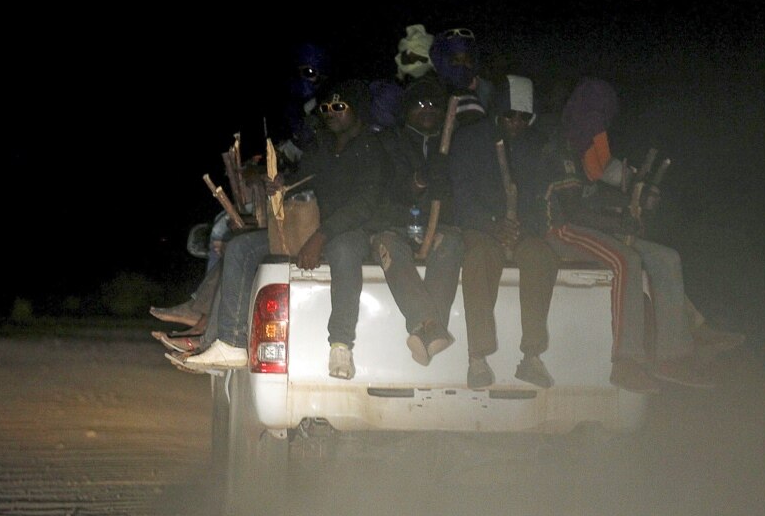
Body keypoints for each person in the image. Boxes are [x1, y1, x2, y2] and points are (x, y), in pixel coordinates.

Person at [184, 80, 387, 380]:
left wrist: (321, 236)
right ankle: (232, 343)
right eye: (326, 107)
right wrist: (279, 184)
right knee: (241, 248)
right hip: (312, 228)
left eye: (339, 107)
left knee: (344, 251)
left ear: (358, 110)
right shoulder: (323, 150)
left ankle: (341, 343)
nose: (330, 112)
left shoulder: (373, 148)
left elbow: (364, 206)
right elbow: (301, 181)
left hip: (352, 230)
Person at [543, 77, 713, 393]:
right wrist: (619, 222)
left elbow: (595, 193)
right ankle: (626, 361)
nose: (600, 121)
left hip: (589, 227)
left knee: (666, 258)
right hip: (560, 230)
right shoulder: (559, 145)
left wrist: (631, 204)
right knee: (626, 260)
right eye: (596, 113)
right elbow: (572, 212)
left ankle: (672, 355)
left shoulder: (586, 146)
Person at [448, 74, 559, 389]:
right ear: (498, 113)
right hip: (481, 226)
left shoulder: (535, 145)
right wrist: (492, 225)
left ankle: (532, 356)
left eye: (524, 117)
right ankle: (478, 358)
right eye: (510, 115)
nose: (516, 122)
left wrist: (522, 228)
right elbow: (461, 193)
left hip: (518, 229)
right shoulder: (470, 139)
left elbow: (540, 197)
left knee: (541, 256)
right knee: (480, 258)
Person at [374, 77, 464, 366]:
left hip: (437, 227)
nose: (428, 110)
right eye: (420, 104)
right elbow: (385, 191)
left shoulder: (452, 142)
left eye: (434, 105)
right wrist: (420, 180)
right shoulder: (389, 142)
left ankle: (424, 331)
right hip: (395, 226)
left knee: (451, 243)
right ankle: (431, 326)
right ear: (407, 110)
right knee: (388, 246)